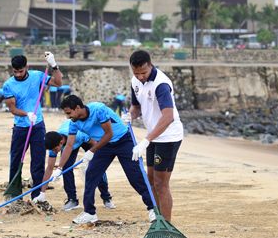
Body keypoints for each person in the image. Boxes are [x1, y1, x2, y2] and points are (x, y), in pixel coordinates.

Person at [56, 95, 156, 225]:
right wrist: (59, 168)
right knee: (91, 174)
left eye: (69, 113)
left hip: (123, 140)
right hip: (104, 146)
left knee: (135, 176)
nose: (68, 117)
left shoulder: (98, 109)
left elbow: (109, 134)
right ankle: (89, 213)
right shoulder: (74, 123)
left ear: (78, 107)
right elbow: (69, 145)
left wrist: (91, 151)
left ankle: (153, 209)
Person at [124, 50, 184, 223]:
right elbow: (136, 107)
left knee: (161, 183)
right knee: (150, 181)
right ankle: (158, 219)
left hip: (168, 137)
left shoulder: (161, 84)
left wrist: (146, 140)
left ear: (150, 65)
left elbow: (168, 116)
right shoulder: (135, 81)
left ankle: (167, 226)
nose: (141, 77)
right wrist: (130, 115)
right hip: (152, 136)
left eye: (143, 72)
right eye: (136, 73)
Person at [3, 53, 62, 200]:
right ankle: (14, 195)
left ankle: (36, 195)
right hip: (20, 127)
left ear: (26, 67)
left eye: (20, 71)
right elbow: (12, 109)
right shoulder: (8, 85)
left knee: (38, 161)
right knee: (16, 161)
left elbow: (58, 83)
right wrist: (27, 114)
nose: (18, 74)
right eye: (15, 71)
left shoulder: (37, 76)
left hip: (38, 126)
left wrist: (54, 65)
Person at [34, 119, 115, 211]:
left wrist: (91, 153)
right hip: (70, 146)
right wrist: (42, 192)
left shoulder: (79, 135)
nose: (54, 152)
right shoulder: (53, 144)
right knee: (66, 168)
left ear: (61, 143)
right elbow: (49, 168)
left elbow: (95, 143)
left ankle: (106, 197)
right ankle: (72, 200)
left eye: (55, 150)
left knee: (97, 168)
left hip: (86, 139)